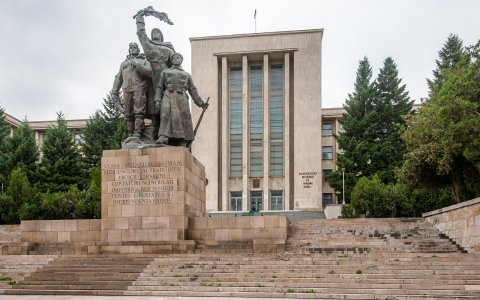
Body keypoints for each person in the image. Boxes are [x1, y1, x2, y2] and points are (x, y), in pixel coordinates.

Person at [154, 52, 208, 147]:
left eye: (178, 58)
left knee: (183, 118)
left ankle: (183, 140)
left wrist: (201, 103)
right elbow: (159, 86)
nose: (175, 59)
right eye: (174, 58)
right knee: (165, 115)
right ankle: (163, 136)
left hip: (181, 97)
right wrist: (157, 99)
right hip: (168, 95)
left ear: (181, 60)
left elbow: (192, 89)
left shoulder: (186, 74)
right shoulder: (165, 72)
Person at [136, 13, 175, 138]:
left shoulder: (168, 48)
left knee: (167, 105)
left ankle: (167, 131)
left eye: (158, 32)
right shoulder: (148, 45)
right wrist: (140, 19)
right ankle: (154, 126)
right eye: (153, 32)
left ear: (162, 36)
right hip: (152, 77)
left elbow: (175, 63)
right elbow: (141, 34)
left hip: (166, 78)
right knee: (152, 103)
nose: (155, 34)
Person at [111, 42, 152, 139]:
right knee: (128, 113)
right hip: (127, 89)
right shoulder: (124, 64)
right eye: (131, 48)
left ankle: (138, 132)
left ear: (138, 50)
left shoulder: (143, 61)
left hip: (139, 88)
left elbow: (149, 72)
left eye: (135, 47)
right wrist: (114, 90)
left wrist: (137, 65)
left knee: (139, 112)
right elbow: (118, 77)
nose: (132, 49)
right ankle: (130, 134)